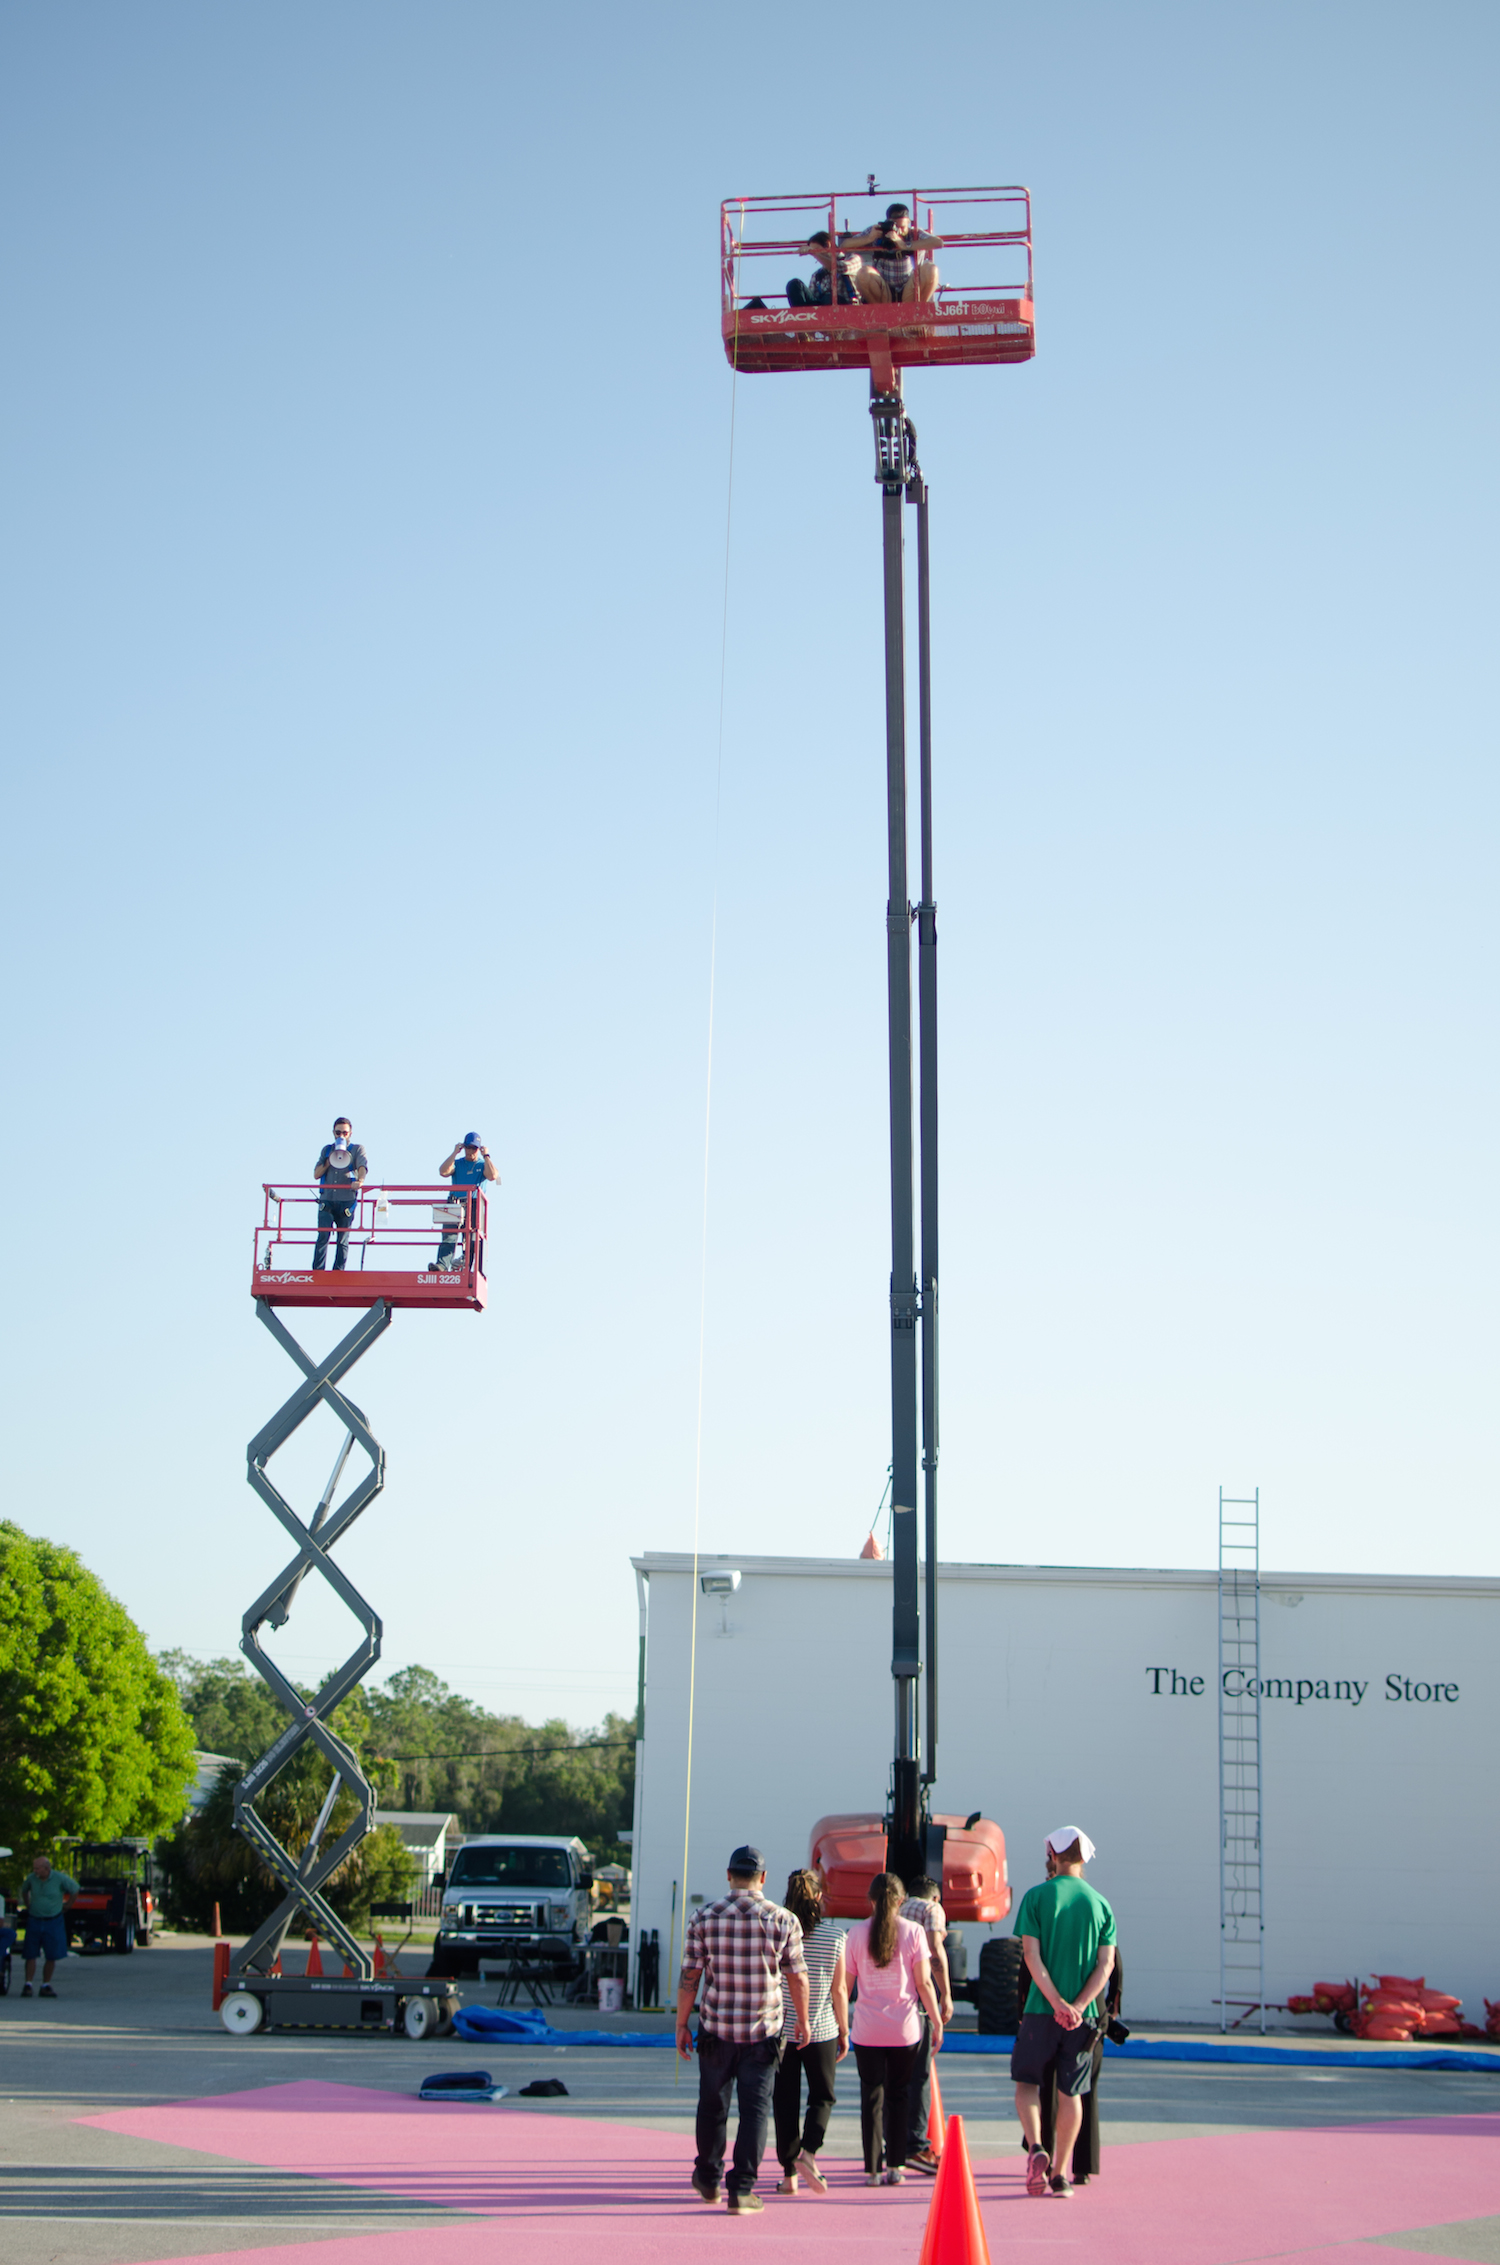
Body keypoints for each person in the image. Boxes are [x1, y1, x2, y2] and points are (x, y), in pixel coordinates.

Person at [677, 1844, 811, 2216]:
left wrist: (681, 2023)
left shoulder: (703, 1917)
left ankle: (708, 2177)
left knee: (712, 2105)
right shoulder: (783, 1920)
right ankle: (742, 2190)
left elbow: (691, 1974)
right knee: (754, 2111)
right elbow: (797, 1977)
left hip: (716, 2028)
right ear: (763, 1878)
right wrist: (803, 2020)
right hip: (762, 2032)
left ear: (728, 1874)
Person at [1011, 1826, 1116, 2201]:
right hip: (1082, 2018)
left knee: (1027, 2083)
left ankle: (1037, 2145)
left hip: (1041, 2011)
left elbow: (1031, 1957)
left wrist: (1055, 2003)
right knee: (1071, 2092)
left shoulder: (1037, 1897)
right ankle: (1060, 2174)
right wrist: (1077, 2006)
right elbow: (1105, 1965)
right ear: (1084, 1859)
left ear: (1052, 1856)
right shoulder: (1101, 1904)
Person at [843, 1871, 944, 2186]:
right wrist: (937, 2018)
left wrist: (840, 2025)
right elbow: (924, 1982)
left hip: (867, 2029)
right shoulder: (913, 1932)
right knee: (900, 2095)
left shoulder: (855, 1934)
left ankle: (872, 2168)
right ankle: (895, 2167)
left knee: (871, 2096)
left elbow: (845, 1988)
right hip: (904, 2028)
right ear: (902, 1900)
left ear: (871, 1900)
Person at [772, 1869, 848, 2197]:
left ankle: (788, 2174)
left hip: (782, 2029)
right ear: (819, 1897)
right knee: (822, 2095)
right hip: (822, 2028)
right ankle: (809, 2153)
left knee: (784, 2100)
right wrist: (845, 2029)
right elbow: (840, 1989)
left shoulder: (778, 1931)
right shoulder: (835, 1936)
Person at [900, 1874, 955, 2174]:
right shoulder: (932, 1910)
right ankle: (916, 2146)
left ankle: (890, 2145)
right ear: (935, 1897)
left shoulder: (894, 1909)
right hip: (919, 2001)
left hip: (892, 1998)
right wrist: (945, 1994)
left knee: (893, 2076)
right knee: (919, 2074)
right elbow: (935, 1951)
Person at [845, 203, 943, 304]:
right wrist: (870, 238)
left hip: (910, 290)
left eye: (903, 227)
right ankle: (879, 312)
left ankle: (918, 309)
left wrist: (904, 245)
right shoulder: (879, 231)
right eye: (896, 227)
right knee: (864, 273)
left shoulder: (914, 234)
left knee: (931, 269)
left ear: (909, 222)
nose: (899, 231)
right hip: (884, 292)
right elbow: (844, 245)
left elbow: (938, 242)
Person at [311, 1117, 367, 1272]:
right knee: (323, 1236)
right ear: (333, 1133)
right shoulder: (327, 1150)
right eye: (338, 1132)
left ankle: (338, 1272)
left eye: (345, 1133)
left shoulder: (357, 1149)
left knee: (343, 1239)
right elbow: (316, 1174)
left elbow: (362, 1166)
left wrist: (360, 1180)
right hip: (327, 1200)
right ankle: (318, 1271)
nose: (341, 1136)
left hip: (346, 1201)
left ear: (350, 1133)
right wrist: (330, 1160)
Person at [435, 1132, 497, 1270]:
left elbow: (493, 1175)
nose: (470, 1151)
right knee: (448, 1237)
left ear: (478, 1149)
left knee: (472, 1238)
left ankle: (466, 1264)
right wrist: (454, 1153)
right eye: (468, 1147)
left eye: (474, 1148)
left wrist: (486, 1156)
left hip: (474, 1203)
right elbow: (443, 1171)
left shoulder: (482, 1164)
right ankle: (442, 1265)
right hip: (455, 1202)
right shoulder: (457, 1163)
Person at [19, 1854, 78, 1997]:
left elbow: (75, 1889)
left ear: (47, 1868)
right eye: (34, 1868)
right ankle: (28, 1984)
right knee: (30, 1953)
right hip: (34, 1919)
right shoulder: (32, 1879)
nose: (35, 1871)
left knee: (51, 1954)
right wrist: (28, 1904)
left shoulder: (59, 1878)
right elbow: (24, 1890)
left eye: (37, 1868)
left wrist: (68, 1905)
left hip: (53, 1920)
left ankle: (45, 1984)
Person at [787, 230, 862, 307]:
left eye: (816, 249)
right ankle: (803, 316)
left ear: (827, 245)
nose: (814, 255)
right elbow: (814, 298)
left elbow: (840, 267)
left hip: (846, 306)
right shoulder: (817, 274)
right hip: (823, 306)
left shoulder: (853, 258)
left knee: (830, 297)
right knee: (794, 284)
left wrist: (814, 253)